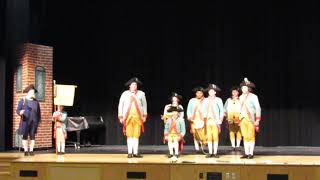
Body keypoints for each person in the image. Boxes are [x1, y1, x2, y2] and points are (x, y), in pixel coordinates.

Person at [118, 77, 147, 158]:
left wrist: (144, 115)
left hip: (138, 117)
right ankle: (130, 152)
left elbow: (144, 105)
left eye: (135, 85)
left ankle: (135, 152)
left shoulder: (141, 94)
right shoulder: (125, 94)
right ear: (129, 86)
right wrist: (120, 116)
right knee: (129, 135)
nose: (134, 86)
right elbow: (121, 105)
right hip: (128, 118)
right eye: (133, 84)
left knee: (136, 135)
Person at [239, 78, 261, 159]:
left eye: (245, 88)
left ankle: (251, 153)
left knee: (251, 136)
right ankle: (246, 152)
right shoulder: (240, 97)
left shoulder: (253, 96)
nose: (243, 89)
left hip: (250, 118)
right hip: (242, 118)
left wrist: (257, 119)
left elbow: (258, 108)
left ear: (248, 88)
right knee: (245, 136)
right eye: (242, 88)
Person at [16, 84, 41, 156]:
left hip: (34, 122)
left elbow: (39, 112)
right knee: (25, 136)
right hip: (25, 122)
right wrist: (20, 112)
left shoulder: (36, 102)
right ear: (29, 92)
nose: (33, 94)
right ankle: (26, 151)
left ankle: (31, 150)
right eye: (32, 92)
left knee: (32, 136)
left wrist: (38, 121)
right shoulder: (23, 100)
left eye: (34, 92)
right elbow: (18, 110)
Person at [204, 84, 224, 158]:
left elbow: (221, 110)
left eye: (212, 91)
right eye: (210, 91)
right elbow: (203, 110)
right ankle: (210, 152)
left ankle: (215, 152)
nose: (211, 92)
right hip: (208, 120)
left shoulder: (218, 100)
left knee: (215, 137)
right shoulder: (206, 100)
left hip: (215, 120)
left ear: (215, 92)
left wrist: (220, 119)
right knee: (209, 137)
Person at [187, 87, 207, 153]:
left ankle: (203, 147)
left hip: (202, 119)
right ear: (196, 93)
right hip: (194, 119)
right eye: (197, 93)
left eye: (200, 93)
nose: (199, 94)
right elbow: (189, 109)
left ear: (202, 94)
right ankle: (197, 148)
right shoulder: (192, 100)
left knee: (203, 133)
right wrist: (189, 117)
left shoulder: (205, 100)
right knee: (195, 133)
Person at [224, 86, 242, 151]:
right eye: (233, 92)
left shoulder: (240, 99)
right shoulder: (228, 100)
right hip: (230, 117)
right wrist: (225, 115)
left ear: (238, 93)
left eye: (236, 92)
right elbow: (225, 108)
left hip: (238, 117)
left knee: (239, 131)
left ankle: (238, 146)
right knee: (231, 131)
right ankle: (233, 146)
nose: (234, 93)